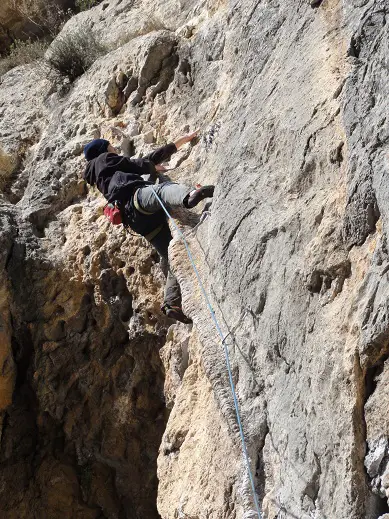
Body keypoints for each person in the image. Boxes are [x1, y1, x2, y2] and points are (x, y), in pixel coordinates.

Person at [82, 132, 214, 324]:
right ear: (103, 149)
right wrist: (152, 167)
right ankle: (190, 196)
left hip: (137, 221)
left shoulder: (105, 173)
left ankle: (171, 302)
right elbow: (137, 164)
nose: (114, 148)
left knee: (172, 257)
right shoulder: (104, 159)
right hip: (136, 199)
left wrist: (177, 144)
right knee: (161, 191)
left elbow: (143, 161)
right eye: (110, 145)